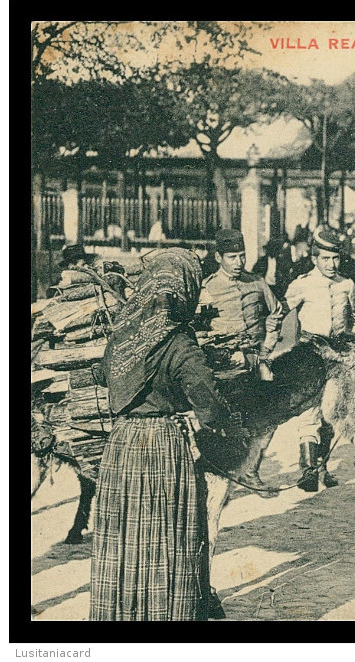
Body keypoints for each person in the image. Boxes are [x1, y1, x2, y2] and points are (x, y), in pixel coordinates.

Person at [90, 248, 238, 621]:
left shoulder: (123, 336)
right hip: (162, 445)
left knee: (124, 539)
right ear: (185, 291)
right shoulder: (180, 343)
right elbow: (208, 404)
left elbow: (105, 375)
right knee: (168, 537)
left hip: (121, 445)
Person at [196, 229, 286, 496]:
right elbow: (198, 329)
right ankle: (221, 473)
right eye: (232, 257)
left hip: (256, 360)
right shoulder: (208, 288)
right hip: (222, 366)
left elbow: (277, 312)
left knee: (268, 416)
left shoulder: (256, 282)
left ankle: (251, 470)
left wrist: (268, 345)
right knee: (225, 422)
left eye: (241, 256)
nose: (238, 262)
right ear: (218, 257)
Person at [284, 227, 355, 492]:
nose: (331, 264)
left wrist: (353, 343)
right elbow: (279, 313)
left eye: (335, 259)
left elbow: (353, 317)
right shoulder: (302, 284)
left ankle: (324, 467)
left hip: (337, 355)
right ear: (315, 259)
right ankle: (308, 471)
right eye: (325, 259)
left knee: (331, 413)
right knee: (309, 411)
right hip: (309, 354)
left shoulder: (347, 284)